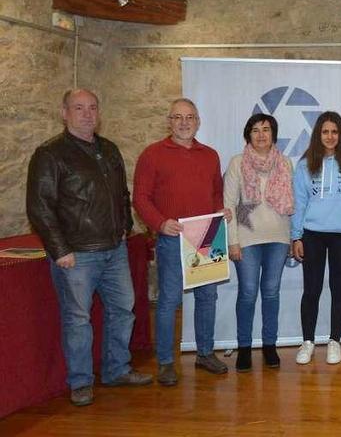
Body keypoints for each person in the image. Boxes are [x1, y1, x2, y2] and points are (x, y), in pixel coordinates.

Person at [26, 89, 153, 406]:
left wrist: (124, 228)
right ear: (64, 112)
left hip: (114, 249)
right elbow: (40, 207)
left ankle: (116, 370)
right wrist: (60, 250)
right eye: (79, 108)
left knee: (124, 310)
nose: (87, 113)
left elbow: (122, 194)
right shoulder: (50, 154)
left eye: (92, 108)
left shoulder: (108, 149)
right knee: (78, 319)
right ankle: (81, 382)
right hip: (76, 255)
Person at [133, 98, 230, 386]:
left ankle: (205, 353)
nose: (184, 122)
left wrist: (220, 214)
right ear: (169, 121)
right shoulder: (152, 155)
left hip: (205, 237)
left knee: (207, 298)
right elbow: (140, 198)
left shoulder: (210, 155)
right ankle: (165, 362)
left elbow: (216, 192)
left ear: (198, 122)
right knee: (168, 302)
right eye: (178, 117)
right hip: (172, 238)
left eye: (190, 117)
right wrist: (160, 223)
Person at [223, 113, 294, 372]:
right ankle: (244, 347)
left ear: (273, 134)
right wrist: (233, 241)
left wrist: (291, 239)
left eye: (266, 129)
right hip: (247, 238)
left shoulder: (285, 163)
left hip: (278, 238)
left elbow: (291, 205)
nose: (261, 134)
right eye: (255, 130)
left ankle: (269, 346)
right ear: (248, 135)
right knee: (248, 293)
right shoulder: (237, 163)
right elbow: (228, 205)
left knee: (272, 293)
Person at [291, 111, 341, 365]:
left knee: (339, 289)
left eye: (334, 132)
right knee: (311, 290)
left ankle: (334, 341)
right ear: (318, 135)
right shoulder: (305, 165)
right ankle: (307, 341)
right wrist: (296, 236)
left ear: (340, 135)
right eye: (325, 132)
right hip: (312, 235)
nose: (330, 136)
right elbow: (299, 201)